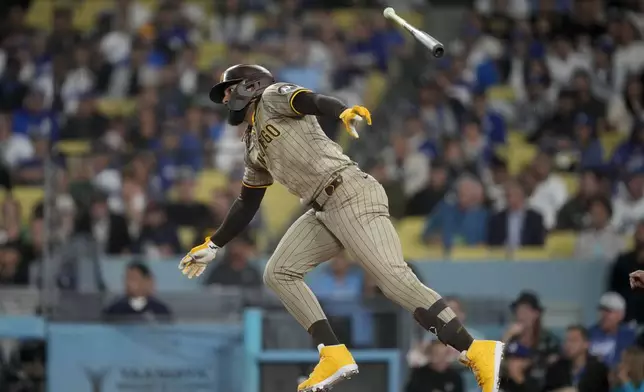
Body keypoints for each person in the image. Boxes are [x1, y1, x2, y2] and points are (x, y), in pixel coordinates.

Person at [177, 64, 504, 392]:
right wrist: (214, 244)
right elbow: (247, 202)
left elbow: (311, 100)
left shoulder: (271, 96)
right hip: (323, 209)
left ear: (250, 85)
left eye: (229, 89)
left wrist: (342, 110)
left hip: (349, 192)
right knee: (278, 272)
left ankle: (476, 349)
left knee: (392, 279)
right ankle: (332, 353)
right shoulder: (251, 144)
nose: (226, 98)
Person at [543, 325, 609, 392]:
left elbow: (585, 389)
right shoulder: (556, 367)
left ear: (586, 344)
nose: (568, 344)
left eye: (573, 340)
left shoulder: (597, 368)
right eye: (566, 340)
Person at [102, 261, 172, 322]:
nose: (129, 283)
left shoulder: (160, 310)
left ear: (146, 281)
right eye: (127, 278)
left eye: (134, 278)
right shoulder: (114, 309)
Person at [587, 292, 636, 369]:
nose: (603, 315)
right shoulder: (589, 334)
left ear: (621, 315)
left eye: (609, 311)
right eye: (601, 310)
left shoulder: (629, 337)